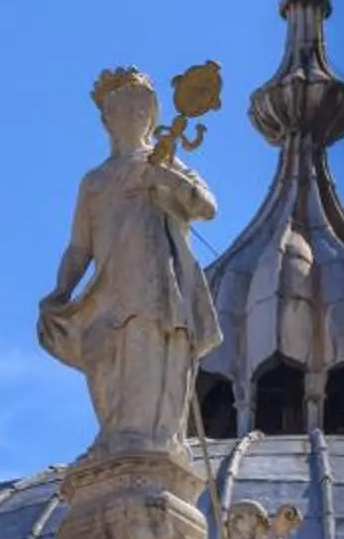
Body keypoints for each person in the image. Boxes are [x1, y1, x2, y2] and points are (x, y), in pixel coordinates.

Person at [39, 68, 222, 455]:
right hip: (109, 292)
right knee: (103, 354)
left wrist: (165, 180)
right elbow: (78, 248)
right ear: (108, 119)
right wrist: (62, 290)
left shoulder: (167, 164)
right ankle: (116, 436)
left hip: (157, 288)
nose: (133, 117)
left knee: (150, 348)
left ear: (152, 116)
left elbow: (206, 207)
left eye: (141, 109)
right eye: (122, 110)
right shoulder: (96, 182)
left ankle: (150, 440)